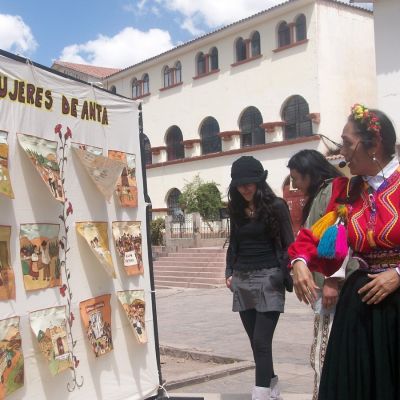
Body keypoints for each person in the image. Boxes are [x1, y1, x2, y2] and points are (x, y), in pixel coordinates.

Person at [288, 104, 400, 400]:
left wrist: (398, 274)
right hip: (360, 306)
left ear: (374, 144)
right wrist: (299, 260)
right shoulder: (347, 191)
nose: (342, 151)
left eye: (348, 143)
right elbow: (312, 237)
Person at [288, 149, 357, 400]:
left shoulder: (335, 189)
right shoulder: (325, 192)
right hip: (332, 285)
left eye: (296, 178)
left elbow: (340, 235)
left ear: (309, 173)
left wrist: (333, 279)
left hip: (335, 289)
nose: (294, 185)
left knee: (325, 354)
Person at [225, 155, 294, 400]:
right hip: (242, 279)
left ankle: (261, 394)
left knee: (261, 341)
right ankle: (272, 388)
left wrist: (282, 274)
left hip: (269, 278)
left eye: (250, 182)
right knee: (256, 344)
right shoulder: (236, 210)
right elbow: (234, 243)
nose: (246, 187)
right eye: (241, 183)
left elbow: (289, 243)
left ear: (259, 181)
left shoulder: (276, 206)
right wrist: (229, 272)